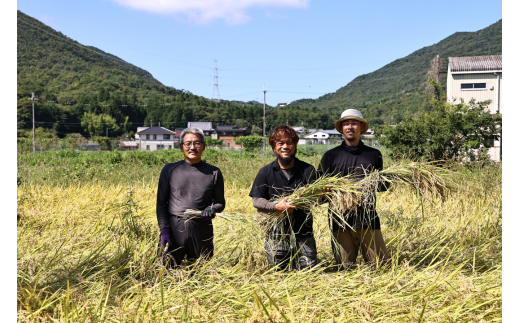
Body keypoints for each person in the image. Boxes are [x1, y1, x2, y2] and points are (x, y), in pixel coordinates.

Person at [319, 109, 389, 269]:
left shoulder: (373, 154)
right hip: (340, 220)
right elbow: (319, 191)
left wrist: (383, 179)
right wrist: (325, 192)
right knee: (345, 268)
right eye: (346, 123)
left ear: (361, 127)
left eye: (354, 123)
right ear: (342, 128)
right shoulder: (330, 156)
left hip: (368, 218)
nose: (350, 127)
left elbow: (382, 186)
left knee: (380, 267)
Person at [249, 125, 318, 270]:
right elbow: (256, 200)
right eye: (280, 143)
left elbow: (318, 199)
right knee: (279, 277)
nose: (285, 146)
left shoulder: (308, 170)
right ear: (274, 147)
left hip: (303, 235)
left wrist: (323, 195)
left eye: (289, 142)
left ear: (295, 145)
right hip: (276, 238)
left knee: (308, 277)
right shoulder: (265, 172)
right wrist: (276, 207)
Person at [156, 127, 225, 268]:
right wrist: (164, 230)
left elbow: (220, 203)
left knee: (201, 273)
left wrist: (212, 209)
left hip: (202, 228)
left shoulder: (214, 172)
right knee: (169, 273)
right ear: (181, 147)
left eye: (197, 143)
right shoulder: (169, 170)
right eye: (188, 144)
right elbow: (161, 203)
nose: (192, 147)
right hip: (175, 228)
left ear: (204, 146)